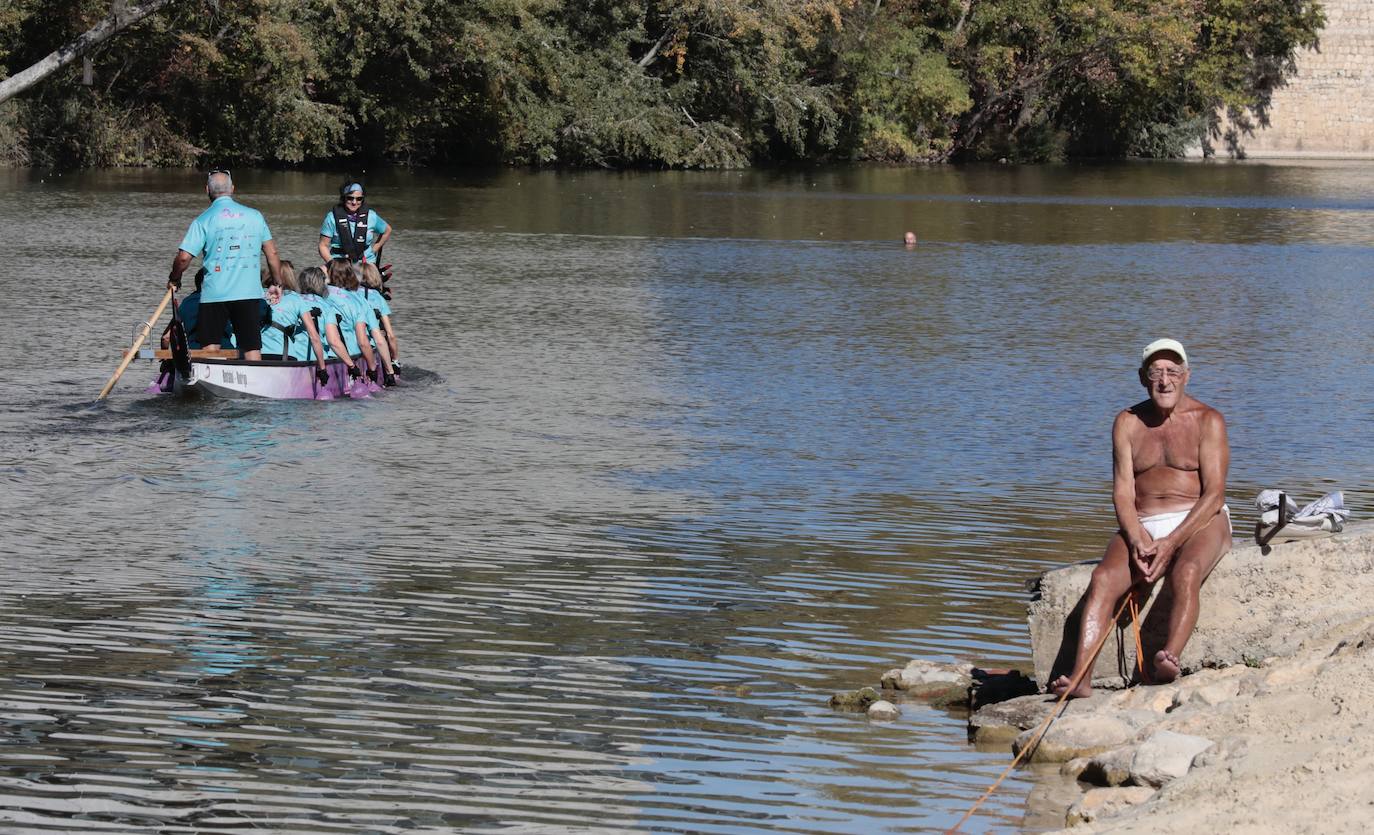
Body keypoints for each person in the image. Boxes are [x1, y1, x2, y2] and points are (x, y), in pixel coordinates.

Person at [1050, 338, 1231, 698]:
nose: (1164, 380)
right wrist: (1136, 537)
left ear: (1186, 376)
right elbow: (1122, 491)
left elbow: (1214, 494)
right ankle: (1081, 678)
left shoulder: (1208, 420)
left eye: (1173, 372)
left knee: (1187, 571)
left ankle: (1169, 657)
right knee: (1102, 578)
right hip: (1144, 522)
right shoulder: (1127, 422)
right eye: (1155, 373)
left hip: (1200, 519)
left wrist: (1170, 543)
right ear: (1142, 378)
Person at [167, 170, 281, 360]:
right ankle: (255, 383)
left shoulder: (203, 220)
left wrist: (175, 278)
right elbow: (272, 254)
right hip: (248, 293)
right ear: (233, 189)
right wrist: (276, 283)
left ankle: (210, 383)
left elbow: (184, 258)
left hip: (214, 294)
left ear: (207, 190)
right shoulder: (255, 216)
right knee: (251, 347)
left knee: (210, 348)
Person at [325, 258, 395, 386]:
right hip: (351, 355)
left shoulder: (320, 295)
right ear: (351, 275)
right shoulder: (359, 301)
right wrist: (387, 371)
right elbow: (370, 342)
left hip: (323, 355)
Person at [318, 181, 390, 265]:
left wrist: (373, 251)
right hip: (339, 264)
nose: (354, 202)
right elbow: (322, 245)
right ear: (343, 198)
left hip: (366, 263)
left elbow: (387, 231)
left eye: (359, 198)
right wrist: (332, 264)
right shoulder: (332, 218)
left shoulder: (371, 216)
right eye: (350, 198)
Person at [358, 261, 398, 363]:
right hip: (371, 345)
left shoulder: (348, 295)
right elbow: (391, 335)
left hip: (351, 347)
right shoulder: (378, 298)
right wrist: (395, 359)